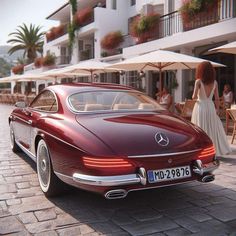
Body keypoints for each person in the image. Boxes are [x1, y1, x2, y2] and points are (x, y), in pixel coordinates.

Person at [191, 61, 231, 156]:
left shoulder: (198, 81)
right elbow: (217, 98)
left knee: (201, 128)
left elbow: (193, 97)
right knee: (211, 129)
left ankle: (201, 150)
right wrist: (217, 110)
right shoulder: (215, 83)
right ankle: (212, 150)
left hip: (201, 107)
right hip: (210, 107)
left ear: (201, 71)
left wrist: (197, 95)